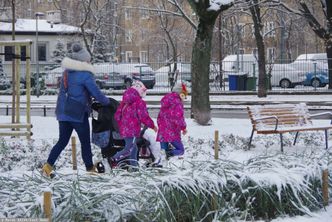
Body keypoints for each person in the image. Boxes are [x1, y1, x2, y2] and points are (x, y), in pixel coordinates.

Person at [42, 42, 110, 177]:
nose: (89, 61)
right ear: (83, 60)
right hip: (78, 113)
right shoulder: (85, 74)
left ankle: (47, 167)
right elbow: (95, 92)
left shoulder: (66, 72)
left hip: (63, 112)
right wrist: (107, 102)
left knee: (62, 141)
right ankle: (90, 168)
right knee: (85, 142)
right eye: (87, 59)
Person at [110, 80, 157, 168]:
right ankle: (113, 160)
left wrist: (123, 124)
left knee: (134, 148)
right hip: (132, 130)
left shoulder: (125, 102)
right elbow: (144, 117)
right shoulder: (139, 102)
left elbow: (117, 116)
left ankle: (134, 167)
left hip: (124, 129)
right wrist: (152, 125)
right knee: (129, 149)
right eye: (143, 91)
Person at [157, 83, 187, 158]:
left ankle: (161, 164)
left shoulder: (165, 100)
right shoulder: (177, 103)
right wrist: (183, 127)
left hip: (162, 131)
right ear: (180, 93)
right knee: (180, 150)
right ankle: (167, 154)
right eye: (184, 93)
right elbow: (178, 117)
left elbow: (159, 117)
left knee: (163, 153)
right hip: (172, 132)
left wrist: (161, 127)